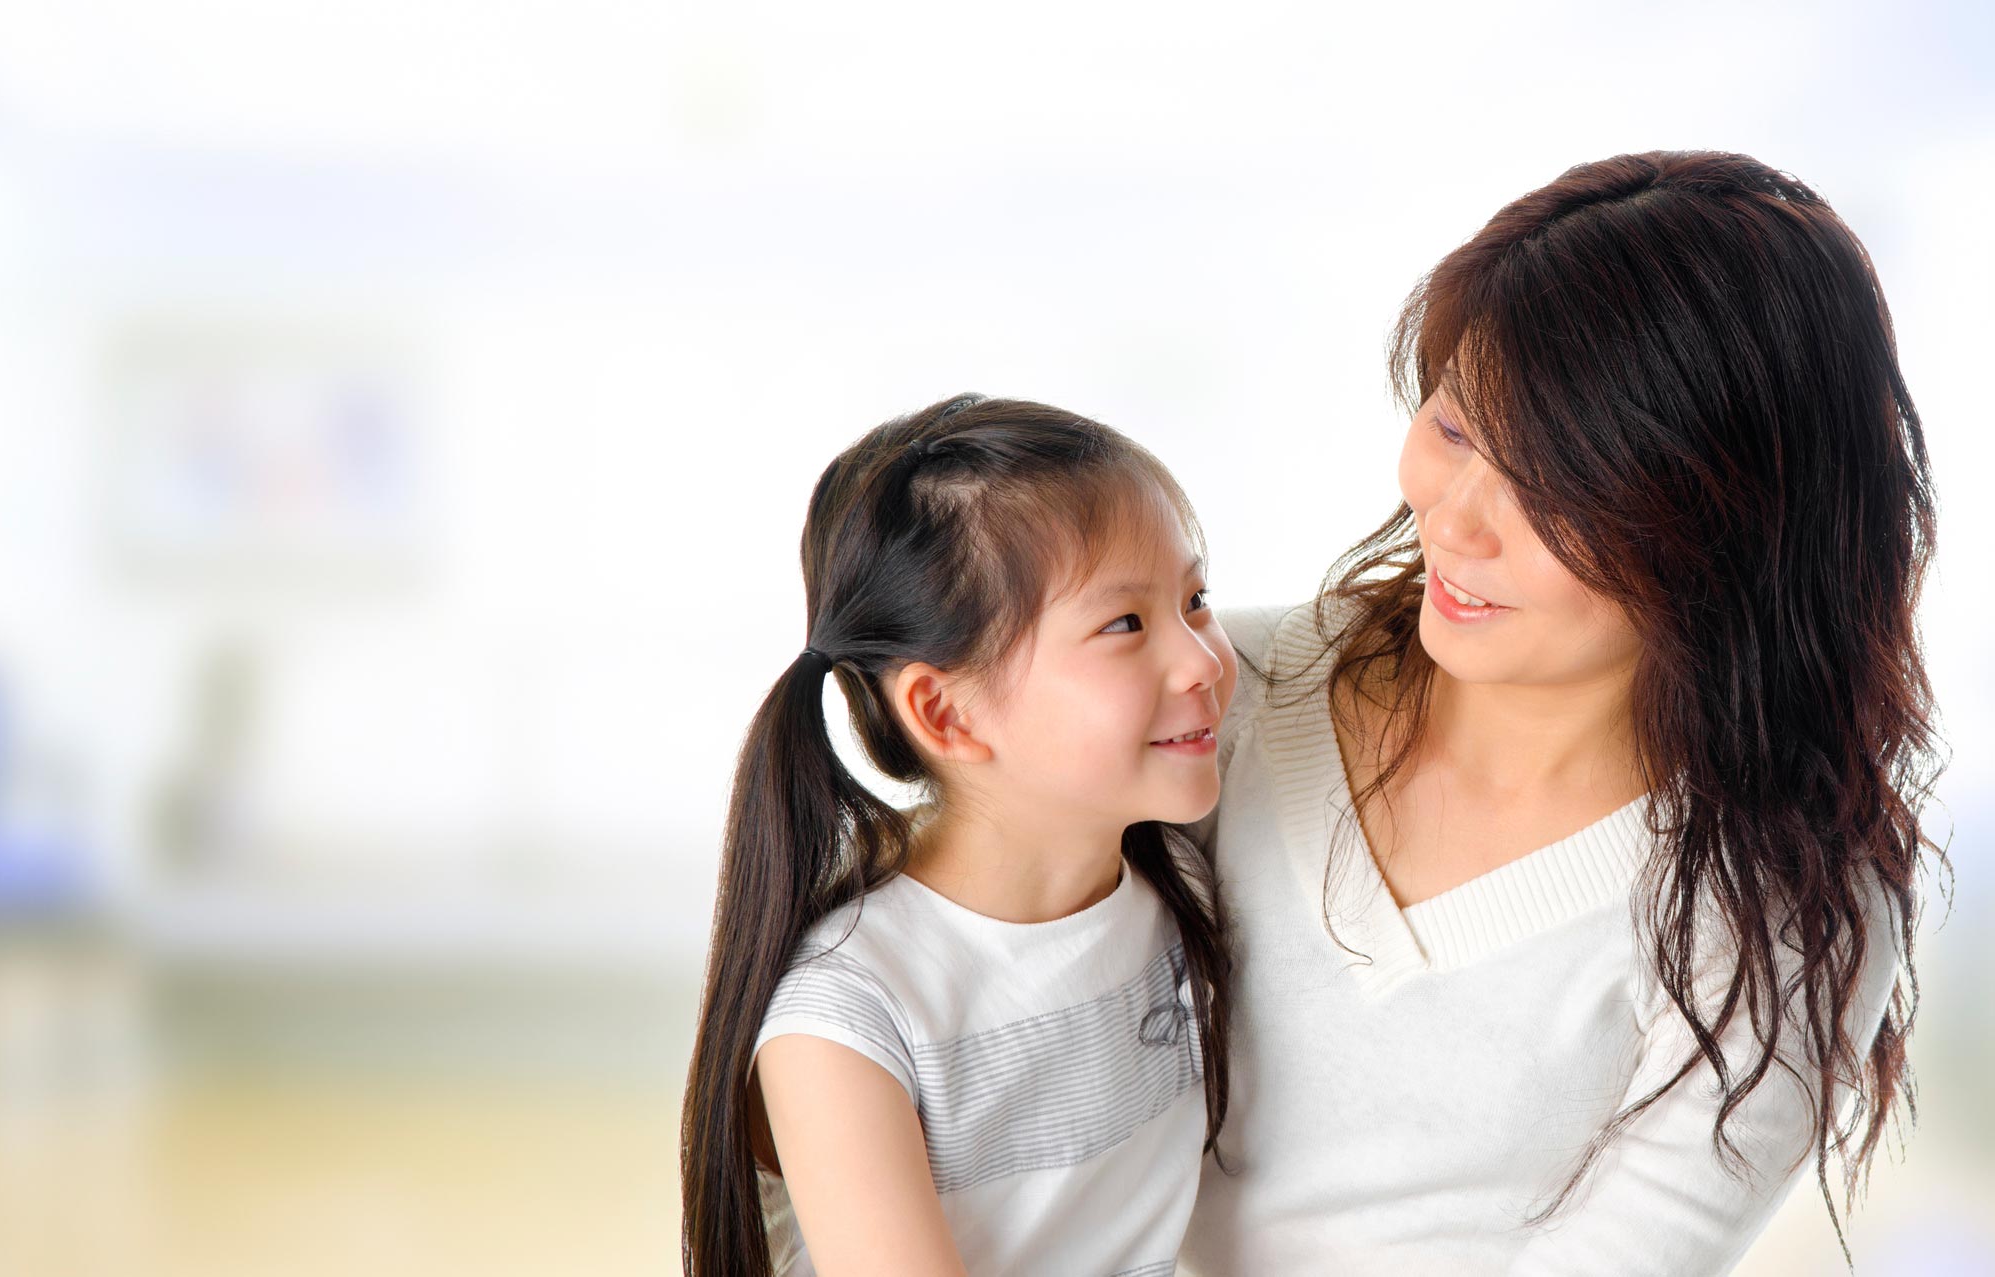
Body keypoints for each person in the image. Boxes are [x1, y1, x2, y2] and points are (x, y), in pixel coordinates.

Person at [1181, 151, 1944, 1275]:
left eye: (1554, 487)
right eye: (1453, 429)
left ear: (1733, 527)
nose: (1456, 524)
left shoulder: (1774, 905)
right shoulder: (1211, 693)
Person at [680, 394, 1241, 1276]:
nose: (1203, 661)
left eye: (1195, 599)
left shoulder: (1180, 879)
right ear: (946, 713)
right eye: (1123, 624)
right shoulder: (846, 1020)